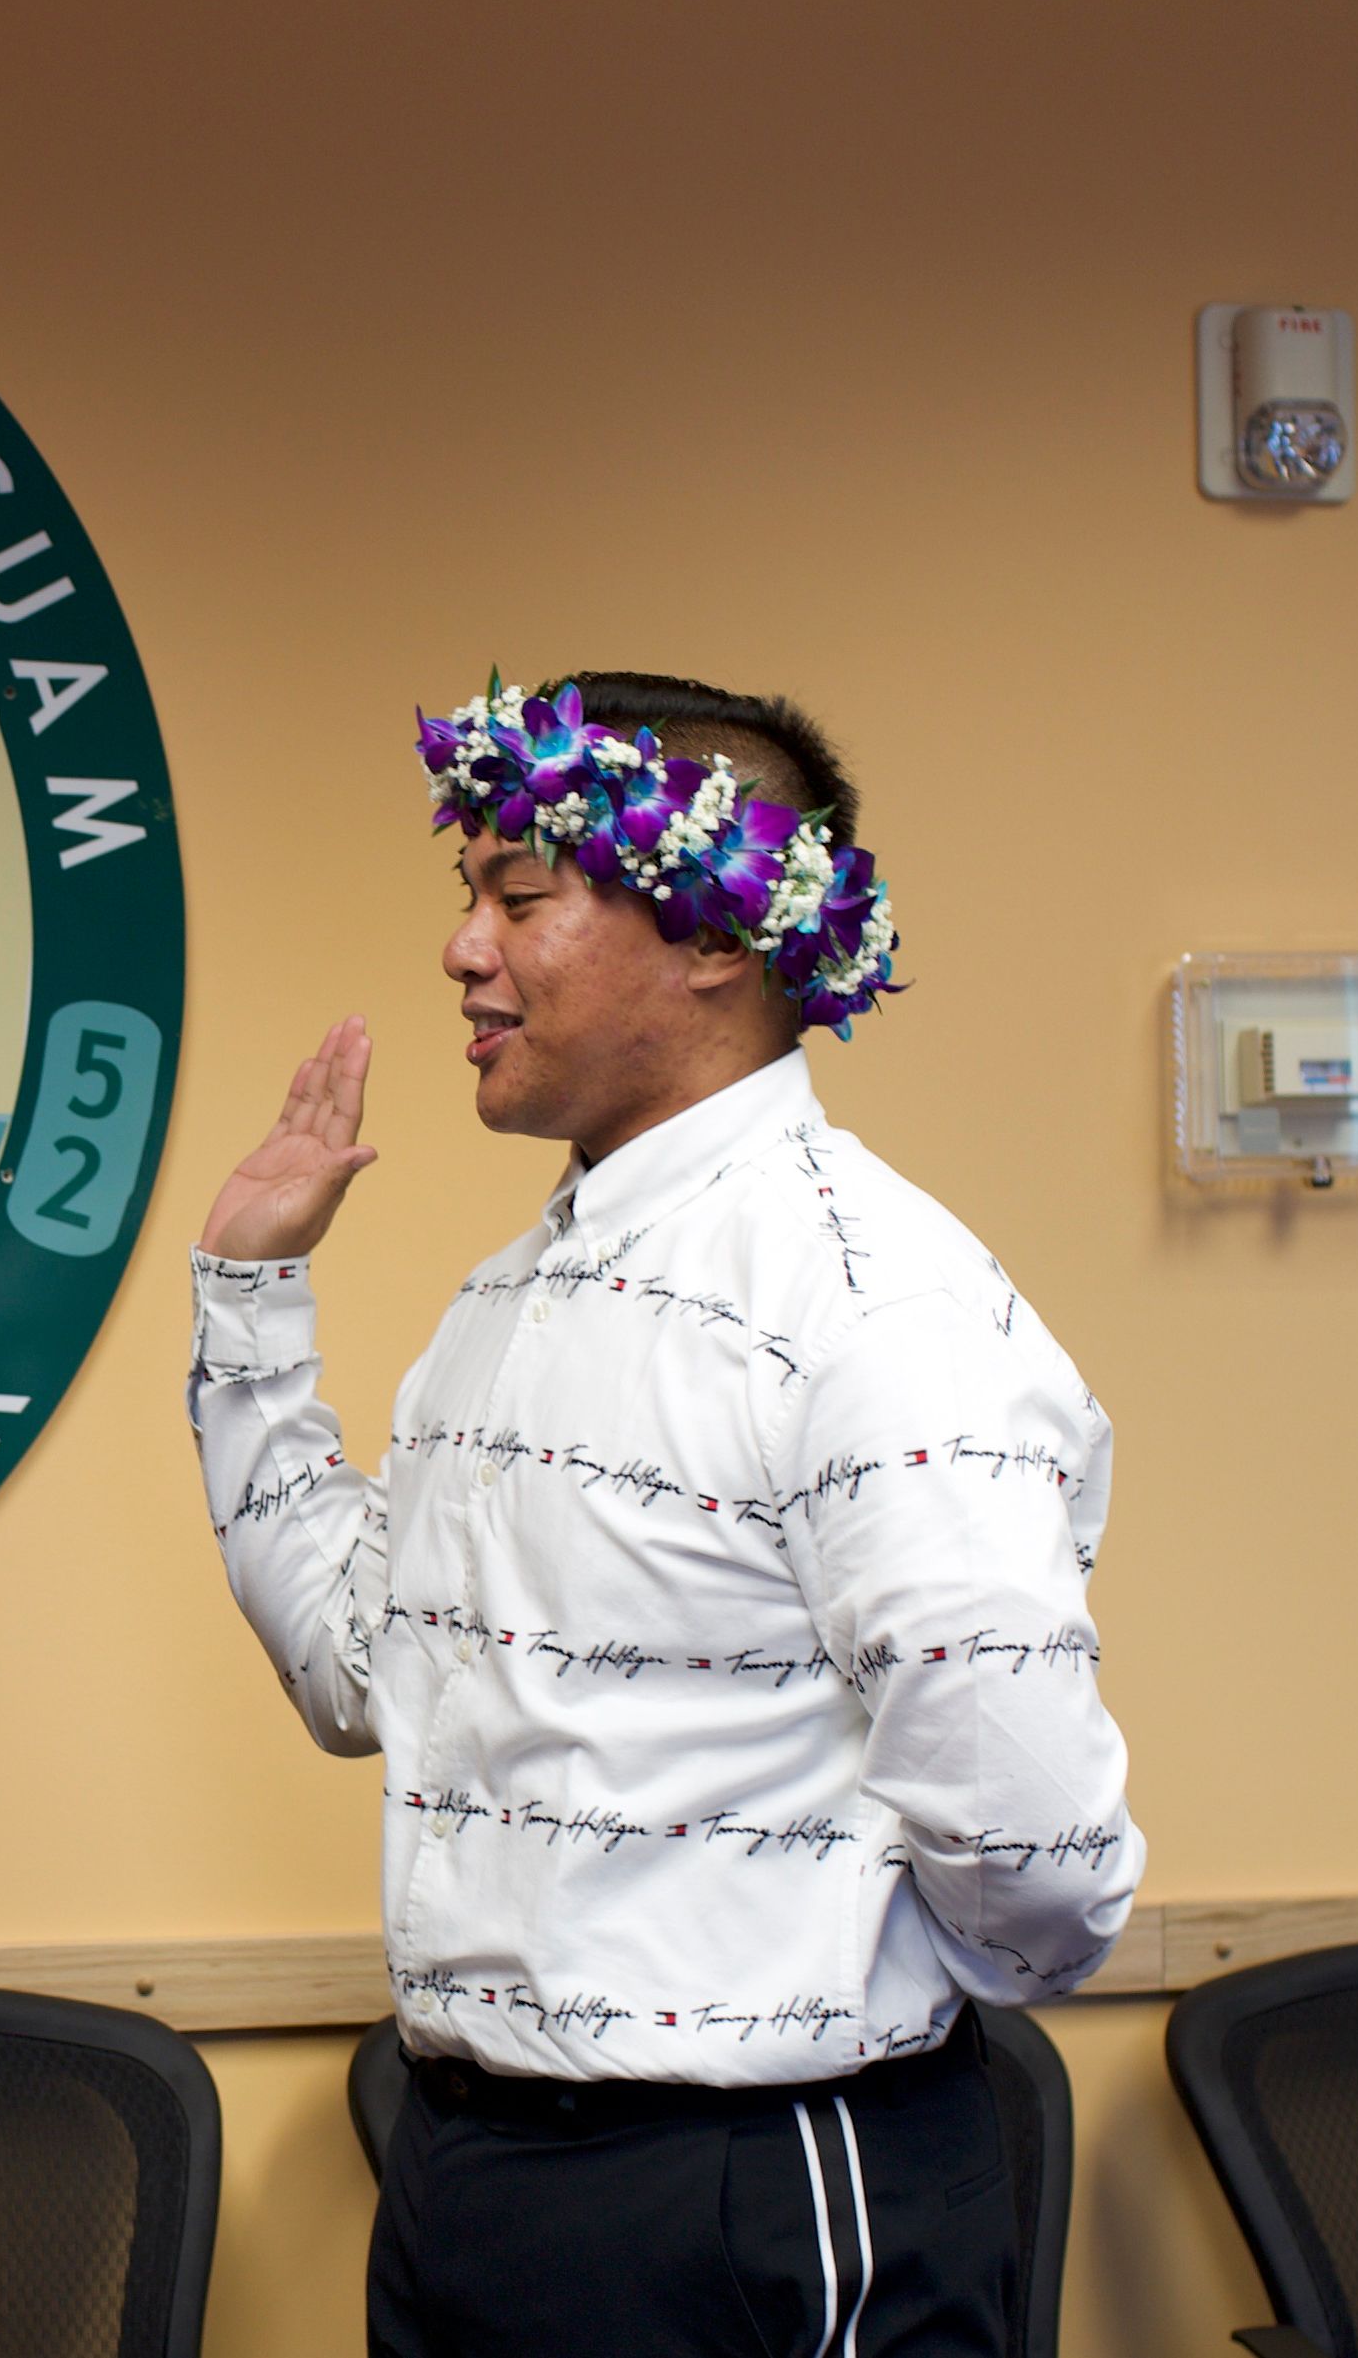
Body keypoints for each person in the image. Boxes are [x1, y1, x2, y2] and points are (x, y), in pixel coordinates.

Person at [190, 670, 1141, 2355]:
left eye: (518, 894)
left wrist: (826, 1987)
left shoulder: (873, 1302)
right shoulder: (514, 1300)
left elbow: (1032, 1849)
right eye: (462, 892)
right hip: (472, 2175)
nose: (460, 947)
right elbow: (358, 1679)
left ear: (714, 936)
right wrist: (249, 1301)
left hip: (760, 2187)